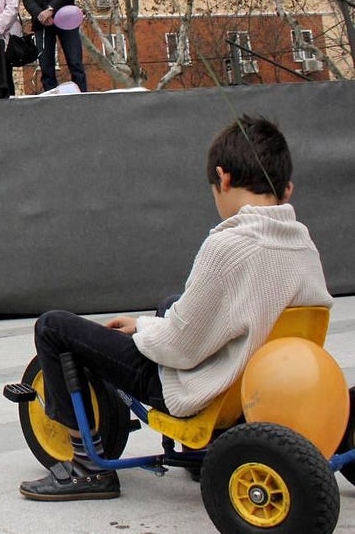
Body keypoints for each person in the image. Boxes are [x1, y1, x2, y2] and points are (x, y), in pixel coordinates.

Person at [17, 115, 333, 502]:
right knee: (170, 304)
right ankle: (202, 452)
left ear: (225, 177)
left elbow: (181, 347)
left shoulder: (228, 246)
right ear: (284, 186)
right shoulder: (302, 242)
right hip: (255, 381)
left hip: (205, 386)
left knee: (54, 327)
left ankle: (85, 466)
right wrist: (148, 323)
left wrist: (146, 330)